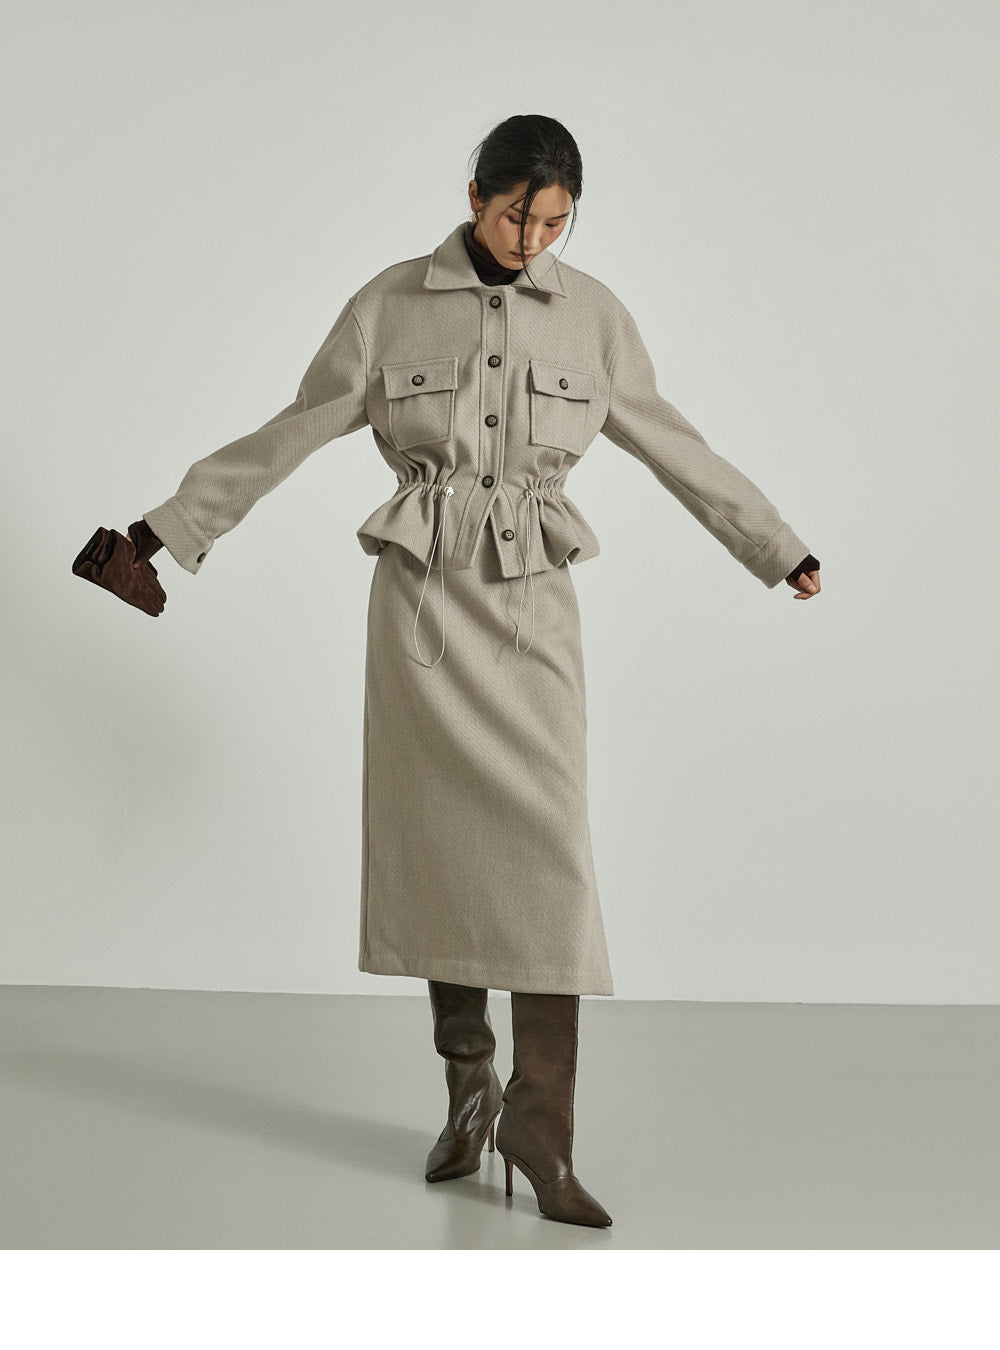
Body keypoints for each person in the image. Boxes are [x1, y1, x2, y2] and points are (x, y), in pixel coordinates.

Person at [73, 114, 821, 1230]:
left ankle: (542, 1126)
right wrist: (163, 530)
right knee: (443, 855)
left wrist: (773, 545)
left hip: (532, 609)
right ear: (475, 195)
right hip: (420, 613)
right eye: (518, 214)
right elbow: (295, 429)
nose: (533, 239)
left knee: (551, 866)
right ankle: (470, 1093)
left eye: (556, 222)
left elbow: (672, 441)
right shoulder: (388, 305)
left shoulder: (595, 317)